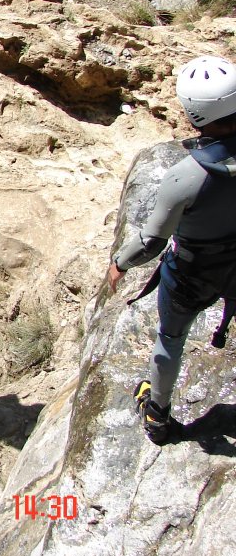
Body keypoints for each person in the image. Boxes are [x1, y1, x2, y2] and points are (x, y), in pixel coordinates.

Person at [107, 54, 236, 444]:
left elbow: (151, 241)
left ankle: (158, 417)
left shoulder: (186, 175)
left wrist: (118, 264)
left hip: (192, 272)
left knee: (170, 339)